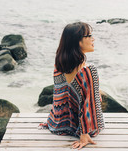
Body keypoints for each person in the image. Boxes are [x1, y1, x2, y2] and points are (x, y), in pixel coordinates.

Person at [40, 22, 104, 150]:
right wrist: (84, 134)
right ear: (78, 41)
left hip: (58, 122)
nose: (93, 39)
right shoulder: (87, 70)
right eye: (89, 36)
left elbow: (62, 94)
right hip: (78, 127)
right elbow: (88, 102)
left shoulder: (60, 63)